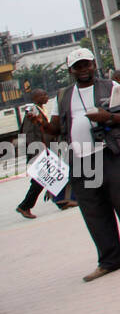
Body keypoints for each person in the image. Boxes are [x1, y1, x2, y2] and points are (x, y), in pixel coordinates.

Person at [39, 48, 120, 281]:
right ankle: (109, 260)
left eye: (87, 65)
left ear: (94, 64)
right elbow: (55, 129)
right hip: (80, 160)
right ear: (70, 70)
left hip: (110, 153)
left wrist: (108, 117)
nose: (84, 70)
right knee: (93, 211)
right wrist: (40, 124)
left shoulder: (111, 87)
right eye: (78, 66)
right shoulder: (63, 96)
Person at [15, 91, 60, 219]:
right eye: (43, 95)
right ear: (35, 98)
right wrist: (38, 151)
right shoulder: (32, 112)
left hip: (42, 150)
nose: (46, 97)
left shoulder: (40, 110)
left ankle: (26, 206)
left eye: (46, 94)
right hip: (37, 151)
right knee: (41, 180)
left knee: (42, 179)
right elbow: (29, 133)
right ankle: (24, 206)